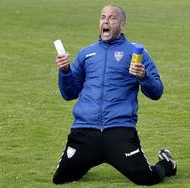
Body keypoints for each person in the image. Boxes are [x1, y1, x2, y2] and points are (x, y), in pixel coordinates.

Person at [53, 5, 177, 186]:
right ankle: (81, 161)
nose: (106, 21)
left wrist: (143, 76)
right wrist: (64, 71)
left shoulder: (136, 53)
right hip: (85, 131)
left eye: (112, 18)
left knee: (146, 179)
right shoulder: (86, 53)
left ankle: (167, 163)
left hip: (119, 130)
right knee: (60, 180)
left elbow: (156, 92)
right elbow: (69, 93)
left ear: (122, 24)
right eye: (103, 17)